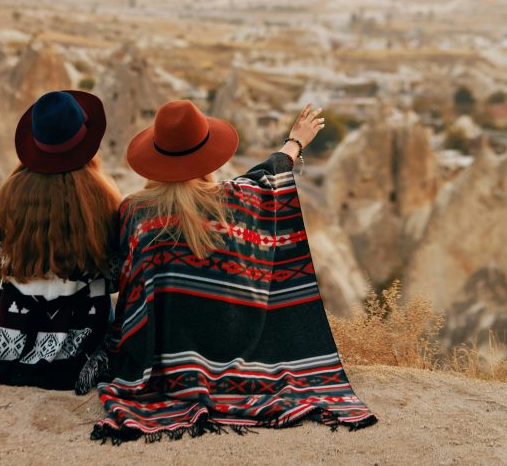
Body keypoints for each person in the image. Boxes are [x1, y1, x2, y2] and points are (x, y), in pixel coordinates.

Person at [92, 99, 377, 442]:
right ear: (207, 155)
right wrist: (295, 142)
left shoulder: (135, 214)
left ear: (157, 156)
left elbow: (120, 278)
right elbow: (267, 176)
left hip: (157, 363)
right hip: (233, 347)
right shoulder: (238, 200)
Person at [0, 90, 121, 392]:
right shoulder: (103, 198)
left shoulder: (9, 195)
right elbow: (114, 276)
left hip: (17, 325)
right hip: (84, 329)